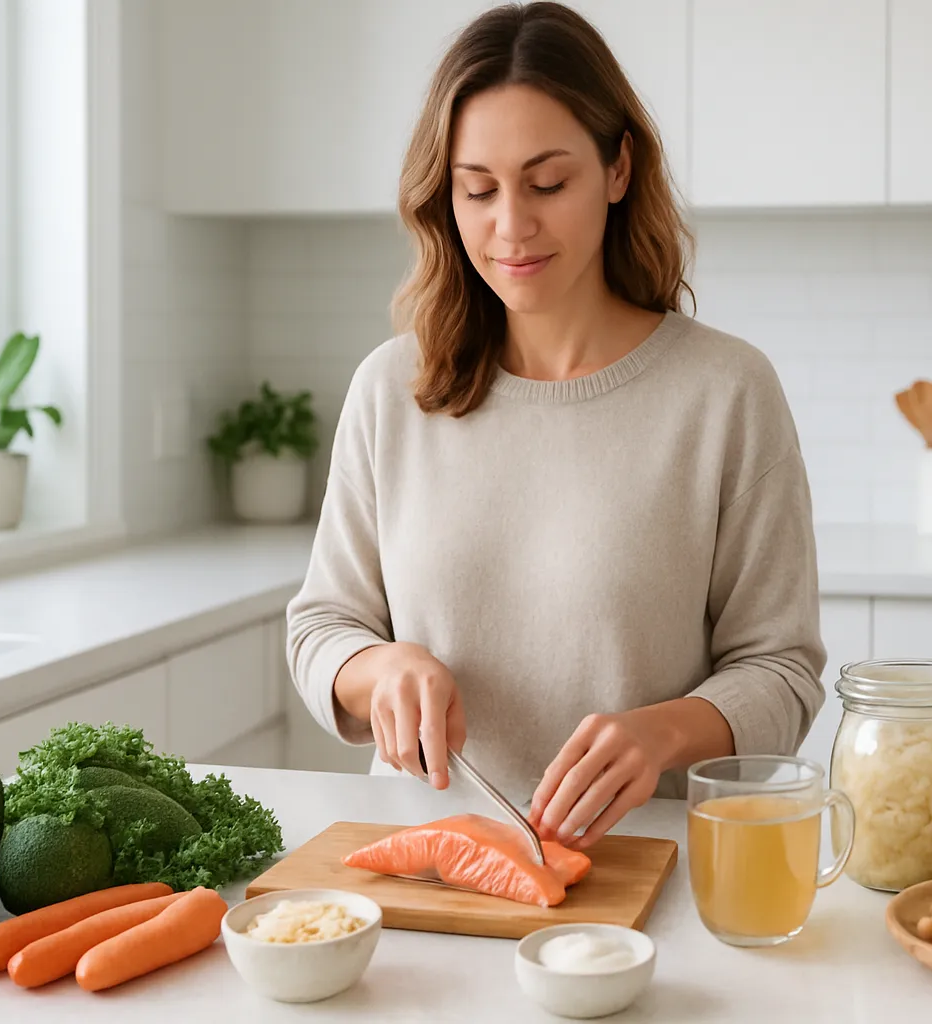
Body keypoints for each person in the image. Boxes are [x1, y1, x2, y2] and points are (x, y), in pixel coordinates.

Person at [285, 1, 824, 850]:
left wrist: (663, 732)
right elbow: (321, 630)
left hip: (643, 864)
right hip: (425, 861)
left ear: (618, 169)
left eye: (547, 183)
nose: (511, 226)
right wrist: (377, 669)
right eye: (478, 189)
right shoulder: (392, 388)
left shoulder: (725, 391)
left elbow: (783, 672)